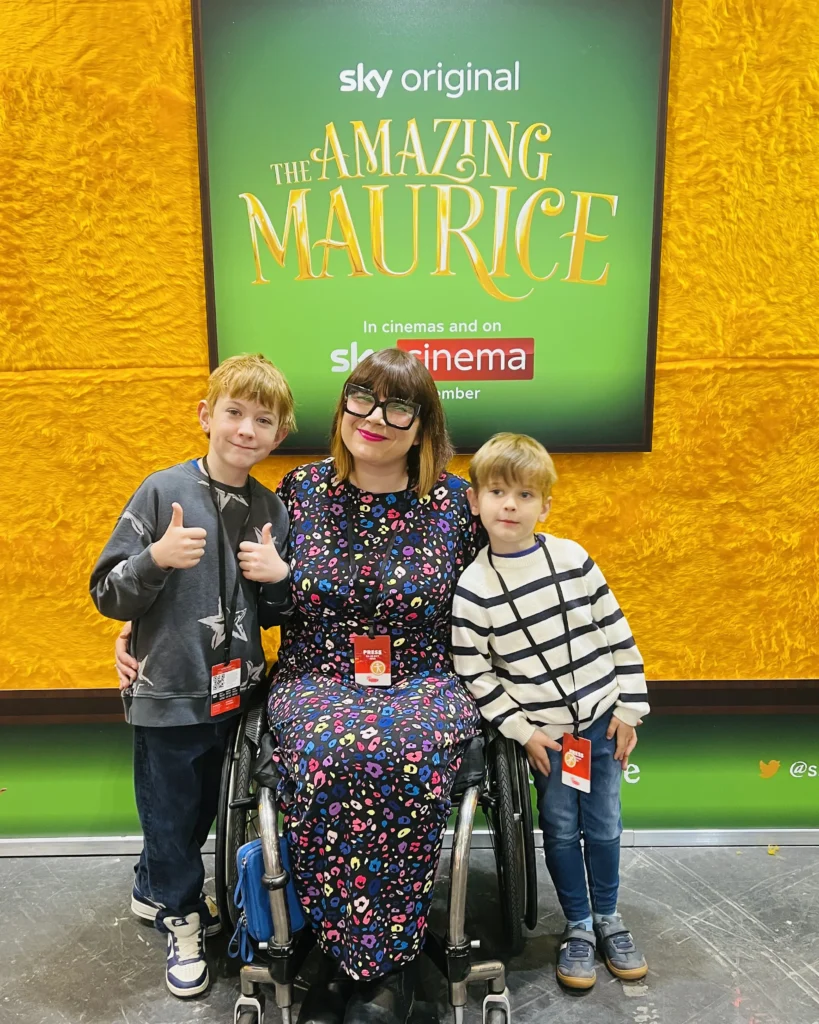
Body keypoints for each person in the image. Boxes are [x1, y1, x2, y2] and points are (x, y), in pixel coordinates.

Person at [115, 348, 483, 1024]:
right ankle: (338, 943)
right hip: (318, 673)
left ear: (422, 423)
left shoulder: (457, 504)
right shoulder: (300, 492)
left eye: (398, 406)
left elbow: (505, 592)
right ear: (342, 407)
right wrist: (144, 631)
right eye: (362, 398)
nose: (376, 418)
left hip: (422, 678)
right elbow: (228, 582)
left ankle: (383, 962)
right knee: (325, 750)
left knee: (400, 747)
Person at [93, 353, 295, 998]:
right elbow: (108, 594)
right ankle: (180, 914)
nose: (246, 429)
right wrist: (154, 558)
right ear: (207, 416)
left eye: (263, 420)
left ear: (279, 434)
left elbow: (277, 616)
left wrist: (277, 579)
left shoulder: (271, 507)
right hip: (169, 694)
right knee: (170, 813)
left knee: (210, 811)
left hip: (239, 698)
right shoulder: (162, 491)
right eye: (234, 413)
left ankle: (157, 886)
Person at [451, 432, 650, 992]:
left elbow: (617, 635)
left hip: (602, 723)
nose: (509, 504)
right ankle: (580, 928)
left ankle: (610, 919)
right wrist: (523, 730)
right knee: (560, 828)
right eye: (496, 491)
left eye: (524, 494)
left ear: (545, 505)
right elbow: (476, 675)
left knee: (605, 821)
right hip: (548, 740)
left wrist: (630, 709)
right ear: (476, 501)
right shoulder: (473, 589)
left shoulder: (573, 558)